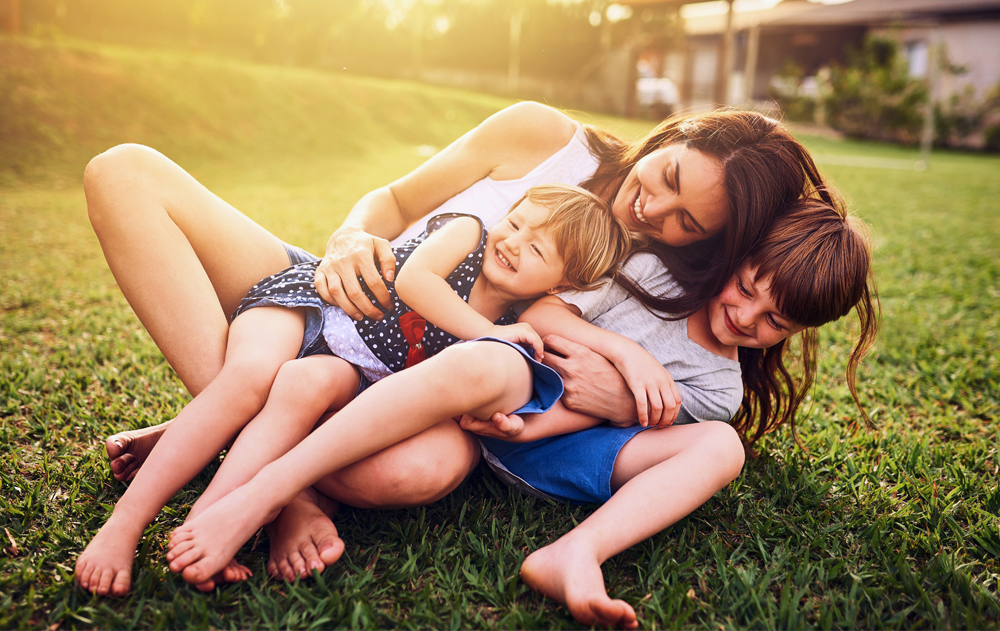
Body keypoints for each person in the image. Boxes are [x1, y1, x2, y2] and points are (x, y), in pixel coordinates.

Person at [78, 102, 829, 597]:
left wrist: (621, 386)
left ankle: (236, 441)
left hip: (432, 380)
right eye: (665, 177)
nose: (652, 208)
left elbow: (611, 356)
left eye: (687, 222)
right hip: (358, 302)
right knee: (125, 172)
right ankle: (257, 457)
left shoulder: (648, 266)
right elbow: (396, 204)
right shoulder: (544, 139)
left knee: (410, 472)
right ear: (671, 136)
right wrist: (350, 238)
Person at [162, 197, 879, 629]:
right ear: (738, 258)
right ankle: (265, 486)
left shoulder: (722, 386)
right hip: (499, 386)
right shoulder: (656, 273)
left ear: (795, 332)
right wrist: (630, 357)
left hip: (551, 442)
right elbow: (545, 314)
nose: (745, 314)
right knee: (494, 360)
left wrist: (539, 425)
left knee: (721, 446)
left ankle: (576, 552)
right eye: (749, 286)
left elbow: (638, 421)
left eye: (773, 319)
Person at [76, 183, 632, 589]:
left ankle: (210, 521)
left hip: (351, 370)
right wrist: (489, 331)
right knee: (246, 382)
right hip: (312, 310)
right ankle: (123, 527)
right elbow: (415, 282)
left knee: (303, 383)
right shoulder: (469, 234)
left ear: (562, 283)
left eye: (538, 248)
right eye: (518, 223)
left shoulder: (519, 315)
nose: (513, 242)